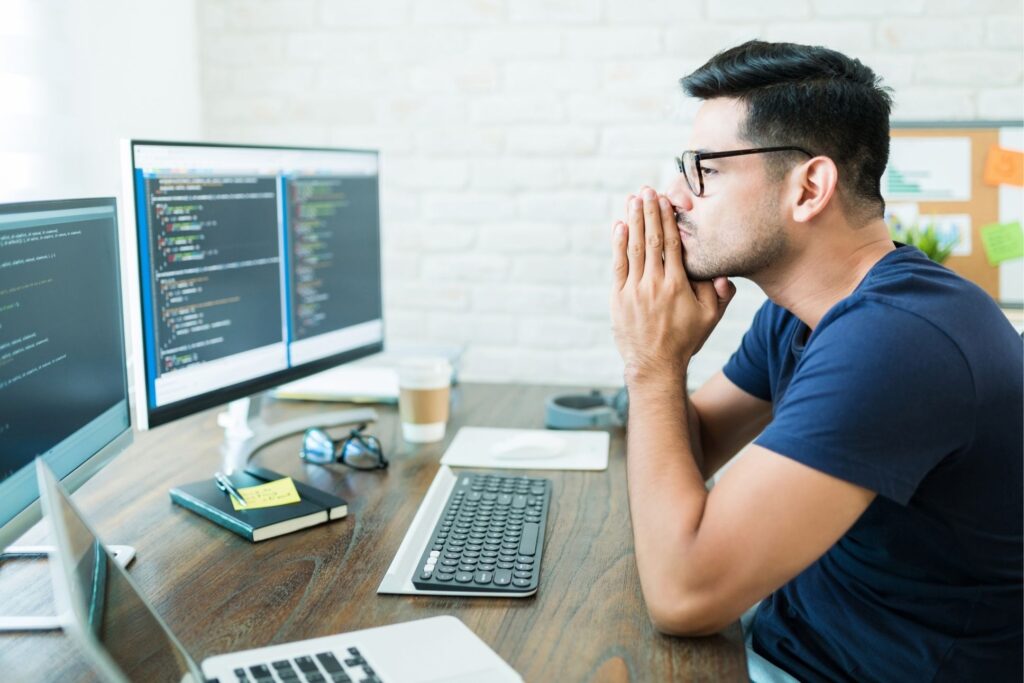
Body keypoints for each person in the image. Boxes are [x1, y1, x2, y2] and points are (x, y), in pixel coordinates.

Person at [608, 40, 1023, 682]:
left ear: (809, 188)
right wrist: (661, 355)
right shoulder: (805, 310)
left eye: (705, 171)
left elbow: (683, 595)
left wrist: (652, 365)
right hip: (790, 639)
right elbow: (698, 443)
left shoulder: (899, 343)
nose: (676, 198)